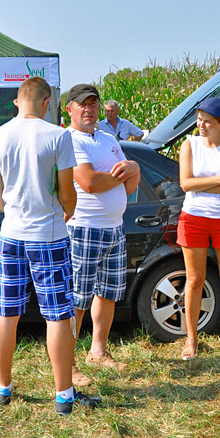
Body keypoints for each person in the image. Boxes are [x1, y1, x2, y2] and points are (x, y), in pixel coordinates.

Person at [0, 76, 98, 415]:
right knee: (57, 315)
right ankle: (64, 394)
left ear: (18, 102)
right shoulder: (58, 135)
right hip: (48, 236)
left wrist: (15, 212)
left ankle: (3, 387)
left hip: (12, 234)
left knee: (6, 312)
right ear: (47, 102)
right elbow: (67, 192)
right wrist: (67, 212)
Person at [64, 84, 140, 386]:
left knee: (107, 293)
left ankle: (98, 350)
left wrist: (133, 166)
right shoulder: (70, 140)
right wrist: (122, 174)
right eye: (83, 104)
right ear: (69, 109)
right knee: (78, 300)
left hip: (114, 228)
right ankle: (67, 363)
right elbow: (88, 181)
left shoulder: (108, 139)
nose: (90, 109)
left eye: (93, 104)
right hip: (83, 229)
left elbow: (131, 185)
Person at [177, 96, 220, 359]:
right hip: (193, 217)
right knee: (194, 280)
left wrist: (202, 182)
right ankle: (191, 339)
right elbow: (185, 184)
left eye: (207, 121)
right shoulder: (189, 145)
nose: (201, 125)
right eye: (199, 120)